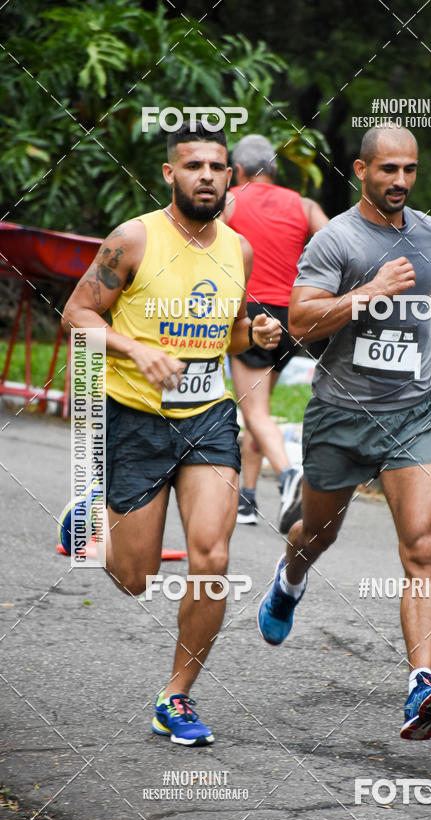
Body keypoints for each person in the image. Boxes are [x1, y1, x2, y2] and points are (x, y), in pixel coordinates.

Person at [58, 122, 281, 746]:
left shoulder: (238, 249)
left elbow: (232, 332)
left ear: (230, 177)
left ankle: (175, 697)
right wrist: (135, 350)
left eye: (217, 166)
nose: (206, 176)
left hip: (209, 415)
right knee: (136, 578)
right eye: (193, 166)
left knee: (212, 557)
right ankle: (91, 523)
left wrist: (256, 338)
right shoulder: (133, 238)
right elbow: (79, 313)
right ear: (170, 174)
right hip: (133, 416)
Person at [257, 125, 431, 741]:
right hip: (342, 415)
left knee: (423, 548)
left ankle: (421, 684)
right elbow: (301, 321)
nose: (401, 182)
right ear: (361, 170)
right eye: (389, 171)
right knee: (318, 534)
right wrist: (367, 293)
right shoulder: (336, 239)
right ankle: (289, 580)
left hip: (415, 412)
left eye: (410, 170)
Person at [220, 134, 328, 531]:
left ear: (240, 171)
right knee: (258, 407)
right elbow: (338, 242)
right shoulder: (304, 205)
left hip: (249, 316)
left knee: (255, 412)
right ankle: (246, 500)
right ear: (276, 171)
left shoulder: (230, 200)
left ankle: (288, 475)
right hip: (292, 318)